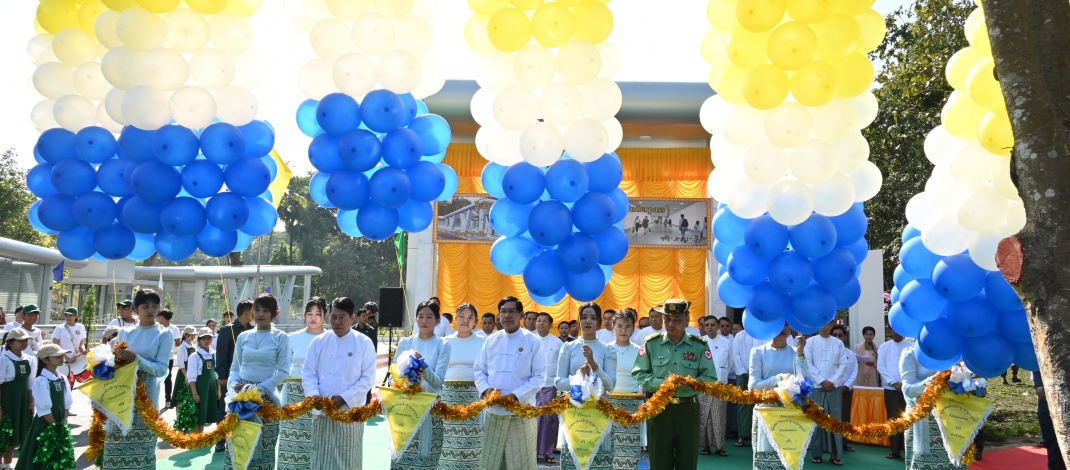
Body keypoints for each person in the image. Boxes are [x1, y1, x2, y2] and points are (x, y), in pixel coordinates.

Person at [632, 299, 715, 470]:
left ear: (687, 319)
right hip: (659, 410)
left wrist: (693, 384)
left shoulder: (699, 345)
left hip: (688, 410)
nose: (671, 324)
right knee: (659, 458)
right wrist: (659, 383)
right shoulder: (651, 343)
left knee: (688, 460)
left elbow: (710, 377)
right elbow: (639, 373)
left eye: (676, 320)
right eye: (667, 319)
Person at [102, 289, 174, 469]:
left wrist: (135, 358)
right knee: (115, 452)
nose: (150, 310)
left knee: (142, 454)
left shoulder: (164, 334)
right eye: (145, 306)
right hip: (121, 399)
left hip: (146, 400)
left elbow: (161, 370)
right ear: (136, 308)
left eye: (154, 306)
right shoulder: (125, 332)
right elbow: (113, 361)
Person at [302, 297, 376, 469]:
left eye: (341, 317)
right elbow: (308, 373)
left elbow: (368, 378)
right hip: (321, 410)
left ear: (352, 318)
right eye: (333, 317)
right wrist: (315, 397)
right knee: (320, 458)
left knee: (348, 458)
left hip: (350, 411)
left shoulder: (364, 343)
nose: (336, 322)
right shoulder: (319, 341)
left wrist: (344, 398)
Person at [473, 296, 546, 470]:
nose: (507, 315)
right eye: (503, 312)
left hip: (521, 412)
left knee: (521, 463)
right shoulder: (491, 341)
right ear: (499, 315)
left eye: (512, 311)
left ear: (521, 314)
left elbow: (539, 377)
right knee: (492, 463)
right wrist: (486, 390)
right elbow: (479, 371)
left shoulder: (532, 341)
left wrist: (516, 396)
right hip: (494, 413)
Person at [226, 294, 292, 470]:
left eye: (266, 310)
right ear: (251, 312)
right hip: (240, 399)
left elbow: (285, 370)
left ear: (275, 313)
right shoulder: (243, 336)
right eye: (257, 310)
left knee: (264, 451)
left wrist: (259, 389)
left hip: (267, 400)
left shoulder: (281, 337)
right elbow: (234, 368)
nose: (260, 314)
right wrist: (234, 385)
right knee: (238, 447)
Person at [392, 299, 452, 469]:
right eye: (421, 317)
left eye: (429, 317)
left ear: (437, 320)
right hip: (405, 407)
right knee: (401, 456)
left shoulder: (443, 345)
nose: (424, 321)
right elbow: (394, 376)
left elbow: (438, 381)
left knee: (426, 456)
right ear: (416, 318)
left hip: (430, 408)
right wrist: (402, 383)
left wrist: (421, 365)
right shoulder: (405, 342)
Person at [749, 324, 808, 468]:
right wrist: (778, 378)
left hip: (790, 413)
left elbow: (803, 383)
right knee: (765, 460)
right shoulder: (758, 352)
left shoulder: (796, 352)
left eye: (787, 324)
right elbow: (753, 386)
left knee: (789, 459)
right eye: (778, 322)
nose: (783, 328)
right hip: (766, 412)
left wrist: (801, 353)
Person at [278, 297, 327, 470]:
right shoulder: (293, 338)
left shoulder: (330, 339)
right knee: (290, 435)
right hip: (293, 391)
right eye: (309, 313)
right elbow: (284, 365)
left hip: (319, 393)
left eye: (318, 314)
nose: (313, 318)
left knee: (317, 436)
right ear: (304, 315)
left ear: (325, 316)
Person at [900, 346, 965, 469]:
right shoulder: (911, 352)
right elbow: (908, 390)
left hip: (953, 418)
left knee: (955, 464)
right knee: (923, 464)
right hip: (923, 420)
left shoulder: (957, 350)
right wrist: (935, 380)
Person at [441, 303, 488, 468]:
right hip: (447, 397)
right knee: (447, 440)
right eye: (462, 316)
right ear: (455, 318)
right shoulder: (444, 342)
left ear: (475, 321)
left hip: (473, 396)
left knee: (471, 441)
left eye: (470, 318)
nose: (465, 321)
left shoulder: (484, 341)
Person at [14, 343, 73, 470]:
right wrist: (55, 426)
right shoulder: (41, 381)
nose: (61, 358)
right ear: (45, 360)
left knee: (58, 456)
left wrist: (64, 420)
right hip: (46, 423)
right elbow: (44, 408)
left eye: (62, 355)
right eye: (57, 356)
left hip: (60, 421)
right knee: (42, 455)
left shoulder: (62, 378)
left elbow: (67, 402)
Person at [805, 322, 849, 465]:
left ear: (831, 325)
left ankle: (835, 454)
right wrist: (821, 381)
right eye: (821, 323)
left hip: (834, 387)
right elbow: (808, 363)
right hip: (817, 386)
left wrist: (832, 381)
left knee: (835, 420)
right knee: (816, 419)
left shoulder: (838, 343)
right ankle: (817, 454)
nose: (823, 326)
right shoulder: (810, 342)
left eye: (827, 323)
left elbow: (843, 364)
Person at [213, 300, 253, 453]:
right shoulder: (226, 330)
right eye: (254, 310)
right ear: (246, 312)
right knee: (225, 408)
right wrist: (221, 376)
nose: (257, 314)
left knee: (247, 408)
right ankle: (220, 440)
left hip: (248, 378)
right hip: (230, 377)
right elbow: (221, 355)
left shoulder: (253, 330)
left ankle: (243, 438)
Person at [608, 310, 643, 468]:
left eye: (628, 327)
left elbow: (643, 375)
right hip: (607, 404)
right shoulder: (605, 349)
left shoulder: (640, 350)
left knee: (629, 449)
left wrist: (642, 391)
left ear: (633, 329)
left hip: (632, 405)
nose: (623, 331)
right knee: (608, 448)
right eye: (619, 326)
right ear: (612, 327)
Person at [0, 329, 36, 469]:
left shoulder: (29, 359)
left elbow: (30, 384)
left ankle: (7, 464)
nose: (24, 343)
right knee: (4, 432)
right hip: (7, 400)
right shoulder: (4, 360)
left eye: (26, 340)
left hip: (22, 401)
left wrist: (31, 402)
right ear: (10, 343)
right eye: (20, 340)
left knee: (17, 431)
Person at [877, 328, 911, 459]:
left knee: (908, 418)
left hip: (907, 389)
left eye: (899, 330)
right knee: (892, 419)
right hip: (891, 389)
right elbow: (881, 366)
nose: (896, 333)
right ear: (889, 332)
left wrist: (904, 383)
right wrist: (893, 382)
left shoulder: (911, 346)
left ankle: (909, 449)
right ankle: (895, 451)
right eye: (893, 331)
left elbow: (913, 366)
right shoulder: (885, 347)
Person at [700, 316, 732, 457]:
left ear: (718, 326)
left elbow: (730, 362)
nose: (710, 327)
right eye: (707, 325)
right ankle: (705, 446)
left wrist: (722, 374)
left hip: (720, 384)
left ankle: (720, 447)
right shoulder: (700, 343)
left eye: (713, 324)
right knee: (704, 417)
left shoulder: (726, 343)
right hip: (704, 385)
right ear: (704, 327)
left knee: (719, 416)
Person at [533, 312, 562, 464]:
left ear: (551, 325)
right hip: (531, 385)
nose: (541, 323)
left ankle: (548, 452)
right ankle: (531, 451)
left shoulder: (558, 343)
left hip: (550, 385)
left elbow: (562, 366)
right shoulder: (528, 340)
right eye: (539, 321)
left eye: (545, 321)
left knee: (549, 419)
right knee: (532, 418)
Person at [732, 324, 768, 447]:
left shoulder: (763, 334)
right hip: (743, 375)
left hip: (760, 376)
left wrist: (757, 373)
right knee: (743, 405)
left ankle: (757, 437)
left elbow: (766, 354)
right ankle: (742, 436)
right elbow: (735, 355)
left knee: (759, 404)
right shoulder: (739, 335)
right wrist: (743, 372)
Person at [185, 327, 217, 434]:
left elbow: (216, 374)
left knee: (205, 412)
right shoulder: (194, 356)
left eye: (209, 338)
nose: (207, 341)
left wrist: (218, 390)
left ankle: (200, 436)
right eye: (204, 338)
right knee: (197, 413)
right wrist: (195, 393)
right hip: (199, 388)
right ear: (199, 339)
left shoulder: (214, 354)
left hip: (211, 388)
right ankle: (195, 438)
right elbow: (192, 377)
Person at [831, 325, 857, 453]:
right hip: (831, 389)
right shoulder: (828, 352)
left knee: (845, 417)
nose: (837, 338)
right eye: (834, 335)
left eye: (840, 335)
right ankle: (830, 444)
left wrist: (847, 385)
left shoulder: (850, 354)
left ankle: (844, 443)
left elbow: (854, 371)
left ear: (845, 337)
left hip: (846, 390)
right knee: (830, 417)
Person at [1034, 370, 1066, 470]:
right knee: (1052, 443)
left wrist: (1046, 389)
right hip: (1046, 404)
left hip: (1064, 401)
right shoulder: (1035, 358)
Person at [51, 307, 86, 385]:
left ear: (76, 316)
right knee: (62, 384)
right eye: (66, 315)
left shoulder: (81, 327)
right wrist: (66, 358)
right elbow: (54, 346)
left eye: (71, 315)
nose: (68, 317)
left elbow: (81, 344)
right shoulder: (59, 328)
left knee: (73, 385)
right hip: (62, 362)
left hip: (76, 361)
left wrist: (84, 351)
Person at [156, 309, 182, 408]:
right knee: (156, 378)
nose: (158, 318)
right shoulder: (158, 328)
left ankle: (168, 399)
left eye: (159, 316)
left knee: (167, 377)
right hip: (157, 356)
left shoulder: (174, 328)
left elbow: (178, 342)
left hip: (169, 357)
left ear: (163, 317)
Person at [172, 326, 197, 409]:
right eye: (191, 335)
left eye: (194, 334)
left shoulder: (194, 346)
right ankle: (178, 416)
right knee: (180, 395)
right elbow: (181, 364)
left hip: (192, 372)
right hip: (184, 374)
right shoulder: (182, 347)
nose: (193, 337)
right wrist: (186, 376)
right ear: (186, 335)